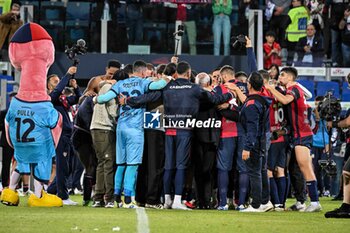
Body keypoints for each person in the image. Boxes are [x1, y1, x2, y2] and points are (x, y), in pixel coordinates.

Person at [0, 23, 62, 207]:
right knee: (40, 162)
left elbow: (8, 124)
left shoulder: (15, 103)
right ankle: (38, 195)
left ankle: (9, 192)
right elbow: (55, 123)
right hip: (37, 142)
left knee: (19, 163)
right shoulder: (43, 105)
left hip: (19, 142)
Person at [94, 60, 171, 208]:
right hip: (135, 129)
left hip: (121, 127)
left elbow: (103, 99)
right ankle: (128, 199)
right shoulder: (143, 83)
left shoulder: (120, 84)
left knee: (121, 164)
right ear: (142, 72)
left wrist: (95, 98)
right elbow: (160, 85)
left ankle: (117, 196)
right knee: (132, 164)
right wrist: (167, 78)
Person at [265, 67, 322, 212]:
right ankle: (306, 201)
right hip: (298, 134)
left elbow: (284, 100)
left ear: (290, 78)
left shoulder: (295, 89)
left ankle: (315, 202)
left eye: (282, 75)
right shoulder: (294, 89)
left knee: (305, 167)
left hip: (301, 134)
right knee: (300, 168)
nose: (280, 77)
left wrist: (270, 88)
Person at [226, 72, 271, 212]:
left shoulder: (252, 104)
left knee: (254, 172)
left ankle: (256, 205)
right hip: (261, 139)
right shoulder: (260, 100)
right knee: (261, 171)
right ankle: (265, 202)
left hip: (254, 142)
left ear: (249, 84)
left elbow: (252, 128)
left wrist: (247, 148)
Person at [47, 68, 82, 206]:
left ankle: (50, 191)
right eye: (55, 82)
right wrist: (66, 75)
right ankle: (62, 196)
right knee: (62, 166)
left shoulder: (62, 100)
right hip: (59, 134)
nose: (59, 83)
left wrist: (76, 87)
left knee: (67, 167)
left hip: (68, 135)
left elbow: (78, 98)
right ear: (49, 86)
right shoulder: (51, 98)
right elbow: (56, 92)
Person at [90, 80, 117, 208]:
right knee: (108, 163)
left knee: (101, 163)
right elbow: (113, 112)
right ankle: (109, 198)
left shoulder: (103, 88)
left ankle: (98, 198)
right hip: (104, 129)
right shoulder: (109, 88)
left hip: (96, 129)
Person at [285, 0, 309, 66]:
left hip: (292, 37)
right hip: (303, 36)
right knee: (300, 56)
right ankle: (299, 69)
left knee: (290, 55)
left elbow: (286, 22)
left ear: (299, 2)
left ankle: (288, 69)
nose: (292, 3)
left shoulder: (293, 11)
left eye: (294, 1)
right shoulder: (306, 10)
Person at [0, 92, 16, 191]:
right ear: (10, 100)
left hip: (18, 142)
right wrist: (6, 126)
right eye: (13, 99)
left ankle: (16, 186)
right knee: (6, 164)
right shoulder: (3, 113)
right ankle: (5, 184)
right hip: (6, 142)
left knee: (19, 163)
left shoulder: (21, 113)